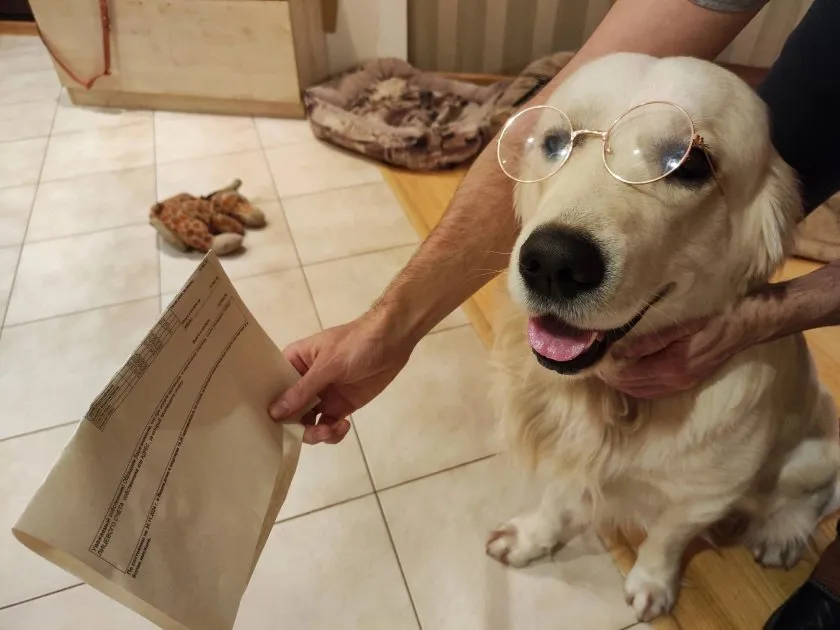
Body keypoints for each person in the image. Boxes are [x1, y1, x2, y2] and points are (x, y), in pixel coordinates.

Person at [269, 0, 840, 627]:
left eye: (686, 164)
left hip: (776, 452)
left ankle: (683, 551)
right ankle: (553, 520)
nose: (553, 257)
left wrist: (759, 319)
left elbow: (713, 490)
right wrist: (387, 327)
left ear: (764, 239)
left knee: (748, 485)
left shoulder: (763, 217)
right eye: (561, 143)